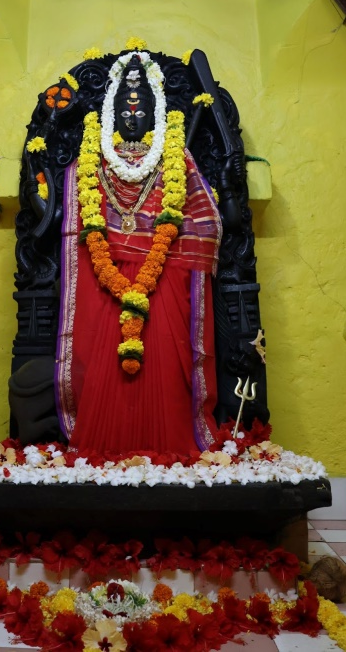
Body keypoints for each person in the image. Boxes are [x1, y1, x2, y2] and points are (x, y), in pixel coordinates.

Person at [54, 52, 222, 456]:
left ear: (157, 114)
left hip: (163, 275)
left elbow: (207, 224)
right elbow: (75, 221)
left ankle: (163, 438)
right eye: (124, 108)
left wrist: (165, 248)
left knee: (166, 363)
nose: (132, 114)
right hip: (105, 276)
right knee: (102, 359)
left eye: (141, 107)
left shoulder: (175, 159)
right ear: (109, 114)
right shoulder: (88, 165)